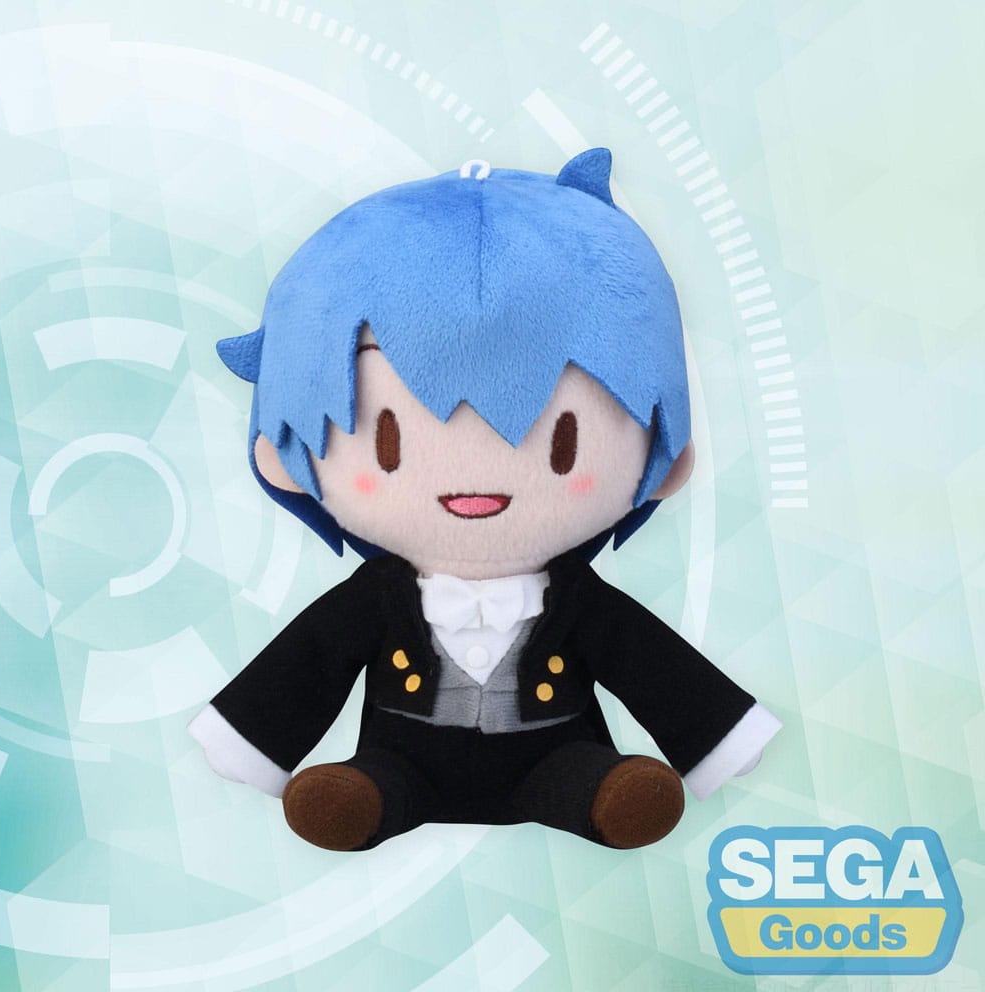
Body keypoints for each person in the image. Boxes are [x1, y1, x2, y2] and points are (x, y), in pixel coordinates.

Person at [188, 150, 781, 851]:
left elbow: (650, 663)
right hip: (401, 761)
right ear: (283, 455)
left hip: (558, 759)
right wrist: (252, 739)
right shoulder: (378, 599)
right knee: (368, 789)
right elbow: (310, 661)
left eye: (562, 443)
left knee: (597, 783)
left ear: (664, 460)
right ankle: (364, 800)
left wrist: (717, 736)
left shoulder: (579, 602)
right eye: (389, 443)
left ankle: (601, 798)